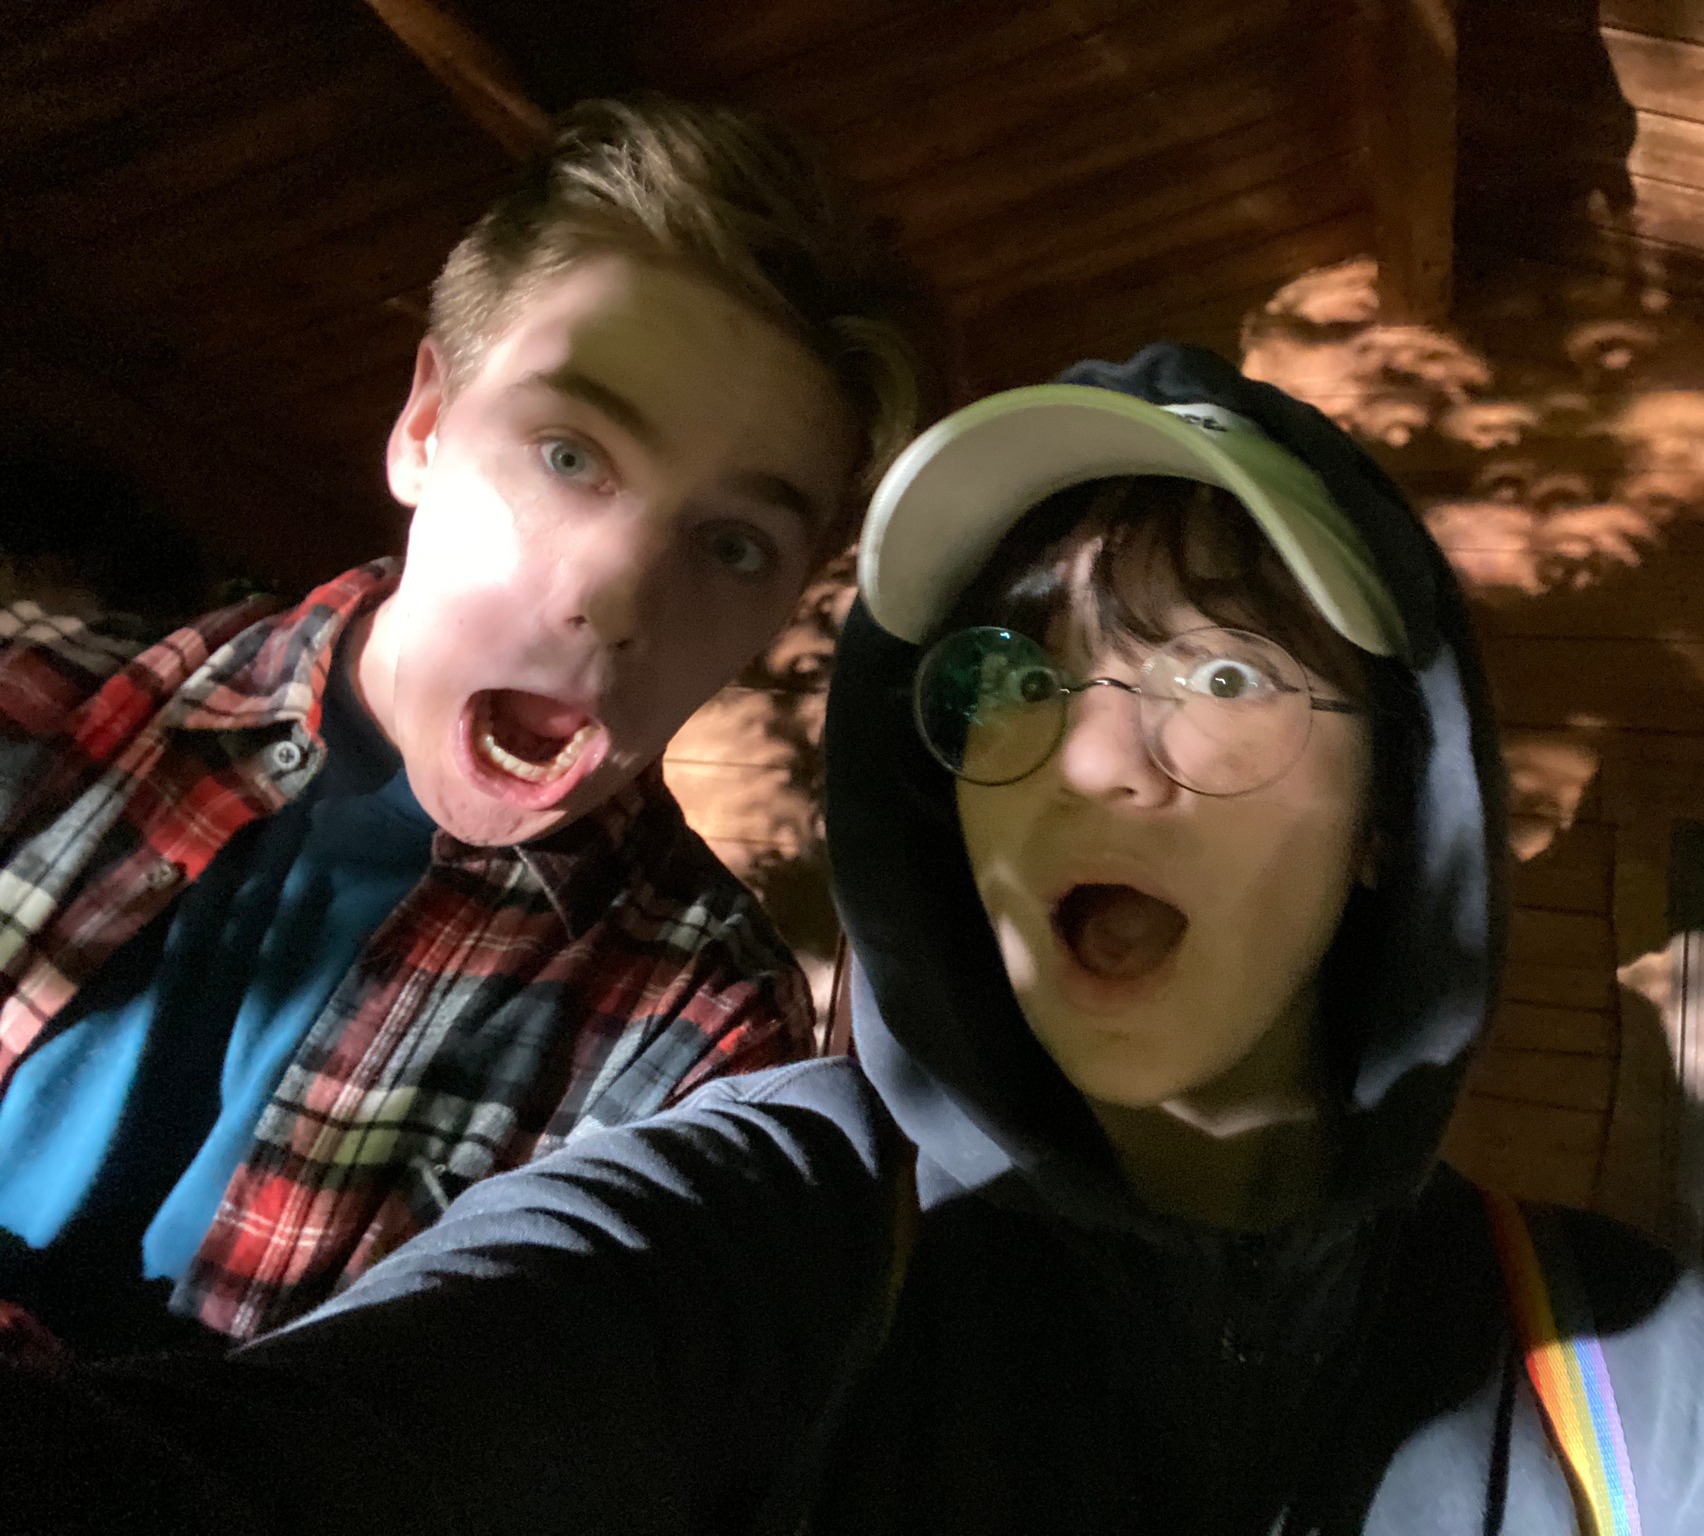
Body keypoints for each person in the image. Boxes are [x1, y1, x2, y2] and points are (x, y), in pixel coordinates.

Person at [9, 344, 1703, 1534]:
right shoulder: (777, 1236)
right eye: (1009, 677)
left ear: (1391, 812)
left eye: (1220, 673)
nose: (1087, 760)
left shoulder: (1624, 1376)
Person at [0, 93, 938, 1354]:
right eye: (569, 455)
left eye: (731, 545)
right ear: (425, 428)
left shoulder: (701, 1053)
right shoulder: (33, 711)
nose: (615, 599)